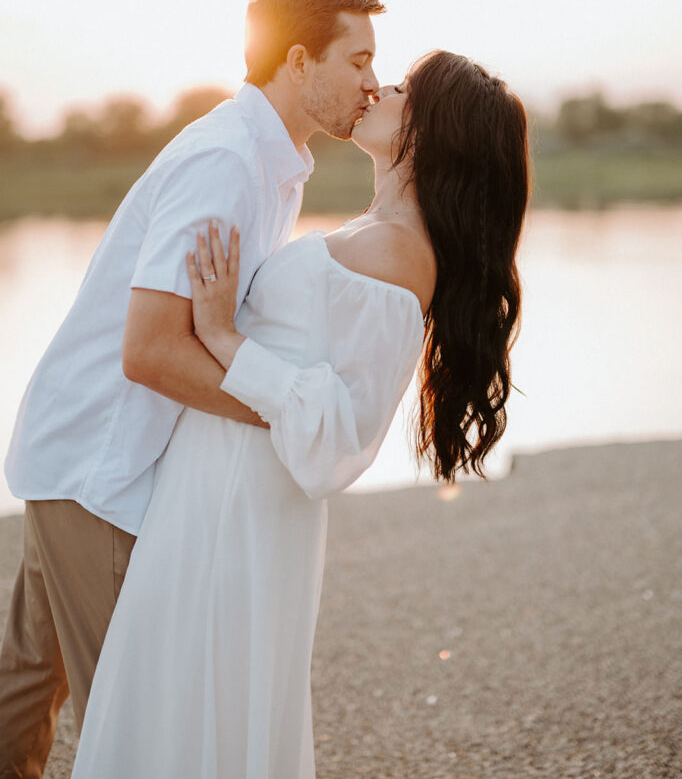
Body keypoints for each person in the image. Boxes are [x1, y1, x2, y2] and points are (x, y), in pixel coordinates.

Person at [70, 50, 531, 778]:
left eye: (404, 86)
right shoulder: (380, 233)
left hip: (243, 504)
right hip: (216, 487)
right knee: (178, 696)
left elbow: (344, 434)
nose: (380, 86)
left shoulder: (398, 255)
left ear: (434, 129)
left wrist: (223, 335)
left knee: (199, 697)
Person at [0, 0, 386, 779]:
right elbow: (150, 350)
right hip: (99, 466)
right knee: (137, 718)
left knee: (26, 684)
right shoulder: (226, 162)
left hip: (79, 449)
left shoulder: (270, 162)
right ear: (297, 61)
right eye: (357, 61)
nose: (371, 82)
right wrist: (286, 414)